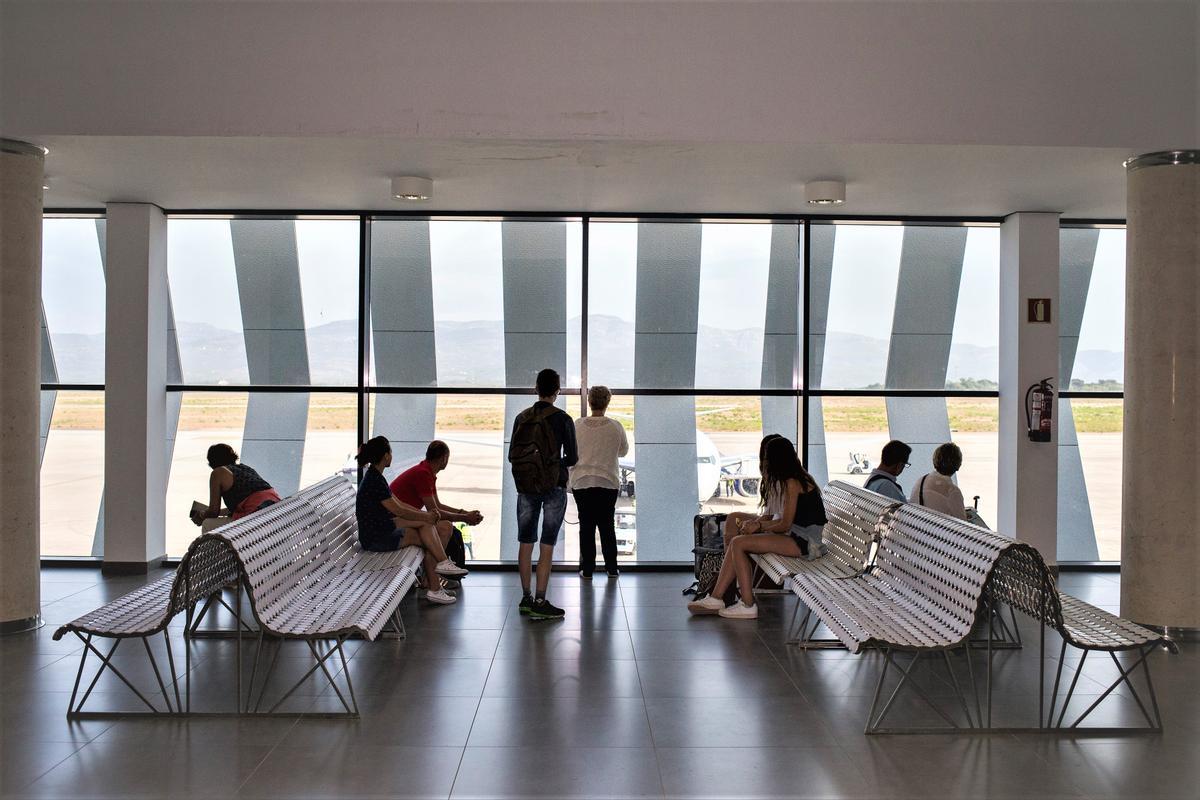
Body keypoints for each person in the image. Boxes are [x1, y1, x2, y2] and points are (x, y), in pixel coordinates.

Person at [688, 437, 827, 619]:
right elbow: (783, 521)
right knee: (738, 543)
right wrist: (758, 525)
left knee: (738, 544)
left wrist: (759, 525)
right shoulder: (797, 479)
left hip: (805, 543)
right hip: (800, 538)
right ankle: (718, 597)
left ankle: (746, 604)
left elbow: (785, 524)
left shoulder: (792, 483)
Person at [354, 435, 467, 605]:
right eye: (390, 452)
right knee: (428, 534)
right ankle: (436, 579)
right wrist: (426, 516)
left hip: (382, 527)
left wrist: (426, 517)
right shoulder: (375, 480)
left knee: (427, 525)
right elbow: (398, 509)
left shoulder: (375, 477)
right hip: (377, 537)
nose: (392, 455)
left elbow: (400, 504)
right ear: (386, 456)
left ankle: (439, 574)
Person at [508, 368, 578, 620]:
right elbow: (573, 457)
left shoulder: (521, 417)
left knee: (525, 543)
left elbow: (511, 456)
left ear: (536, 388)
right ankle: (540, 600)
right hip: (553, 488)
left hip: (525, 488)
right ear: (557, 391)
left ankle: (525, 598)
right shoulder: (563, 419)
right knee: (547, 545)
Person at [570, 385, 629, 579]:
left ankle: (587, 569)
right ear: (607, 402)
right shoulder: (616, 426)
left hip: (582, 481)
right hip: (608, 481)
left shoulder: (577, 424)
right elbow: (623, 451)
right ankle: (612, 568)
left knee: (586, 526)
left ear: (589, 402)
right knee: (607, 526)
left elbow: (571, 451)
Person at [389, 439, 485, 556]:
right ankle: (435, 570)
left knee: (444, 527)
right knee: (445, 528)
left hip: (402, 517)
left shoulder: (425, 471)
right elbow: (434, 511)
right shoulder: (423, 474)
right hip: (395, 520)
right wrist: (465, 517)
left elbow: (437, 506)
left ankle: (436, 570)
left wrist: (465, 513)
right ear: (444, 458)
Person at [191, 444, 281, 533]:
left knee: (208, 524)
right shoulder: (246, 469)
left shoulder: (218, 472)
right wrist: (209, 512)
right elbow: (247, 503)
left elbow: (214, 511)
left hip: (256, 521)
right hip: (273, 515)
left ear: (212, 462)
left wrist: (201, 515)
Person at [720, 433, 784, 548]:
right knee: (732, 518)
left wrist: (753, 525)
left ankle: (731, 555)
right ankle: (729, 554)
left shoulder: (781, 480)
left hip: (777, 524)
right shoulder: (775, 477)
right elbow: (769, 513)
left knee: (737, 534)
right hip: (774, 519)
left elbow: (770, 517)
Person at [910, 442, 968, 520]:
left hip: (918, 527)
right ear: (958, 465)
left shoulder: (920, 481)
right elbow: (962, 525)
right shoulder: (952, 491)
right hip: (936, 530)